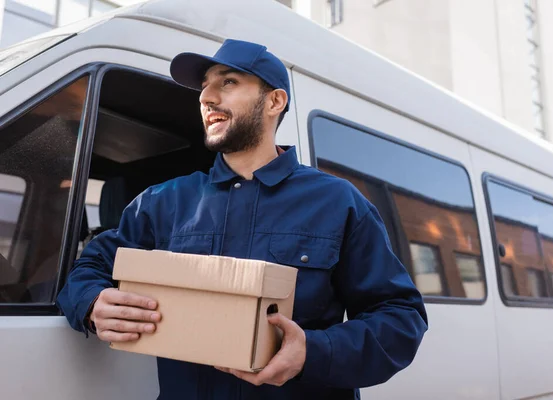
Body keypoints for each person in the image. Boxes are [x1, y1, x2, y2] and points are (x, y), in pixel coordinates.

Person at [57, 38, 428, 400]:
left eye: (228, 82)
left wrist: (313, 350)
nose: (206, 97)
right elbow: (90, 266)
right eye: (204, 87)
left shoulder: (337, 202)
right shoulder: (163, 202)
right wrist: (92, 302)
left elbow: (400, 318)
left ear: (274, 101)